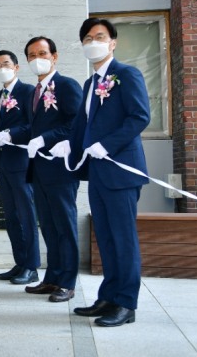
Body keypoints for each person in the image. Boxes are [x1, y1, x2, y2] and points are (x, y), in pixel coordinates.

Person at [51, 18, 150, 326]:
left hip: (122, 172)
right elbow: (83, 126)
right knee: (105, 239)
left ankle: (125, 304)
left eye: (100, 36)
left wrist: (107, 145)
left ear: (112, 43)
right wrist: (69, 145)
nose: (93, 41)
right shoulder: (90, 83)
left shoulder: (126, 74)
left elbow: (139, 117)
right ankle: (108, 297)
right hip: (98, 174)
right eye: (87, 38)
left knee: (123, 239)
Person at [23, 36, 82, 302]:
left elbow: (76, 124)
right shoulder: (34, 92)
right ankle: (53, 277)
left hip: (61, 169)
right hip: (39, 170)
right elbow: (31, 127)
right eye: (32, 55)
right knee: (47, 224)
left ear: (54, 56)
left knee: (64, 225)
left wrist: (45, 139)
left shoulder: (66, 86)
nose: (38, 60)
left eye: (43, 54)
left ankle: (67, 282)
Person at [0, 50, 40, 285]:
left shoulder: (28, 91)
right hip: (2, 161)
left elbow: (32, 125)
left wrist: (9, 134)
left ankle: (32, 266)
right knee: (10, 215)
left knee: (26, 214)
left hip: (21, 161)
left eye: (5, 63)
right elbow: (6, 123)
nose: (1, 68)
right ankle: (20, 262)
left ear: (16, 67)